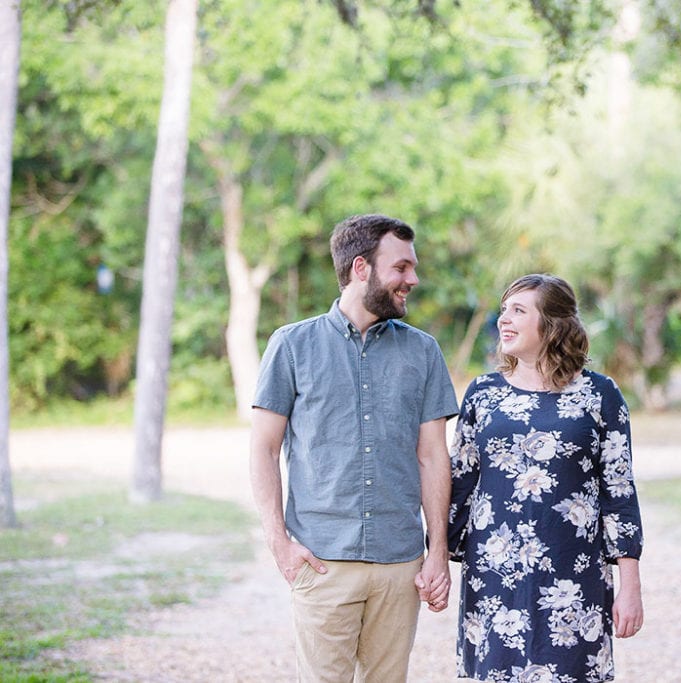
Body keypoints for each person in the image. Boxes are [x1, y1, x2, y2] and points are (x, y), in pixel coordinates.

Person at [250, 214, 458, 682]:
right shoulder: (291, 346)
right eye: (401, 268)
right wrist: (279, 543)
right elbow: (263, 449)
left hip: (399, 563)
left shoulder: (424, 352)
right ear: (361, 268)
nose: (413, 279)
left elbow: (433, 457)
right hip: (323, 562)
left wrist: (437, 550)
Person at [448, 273, 644, 683]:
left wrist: (630, 585)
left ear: (552, 324)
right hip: (493, 576)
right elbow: (459, 485)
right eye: (503, 310)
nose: (504, 320)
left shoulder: (600, 394)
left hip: (574, 577)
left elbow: (619, 491)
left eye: (518, 311)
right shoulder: (481, 394)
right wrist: (434, 560)